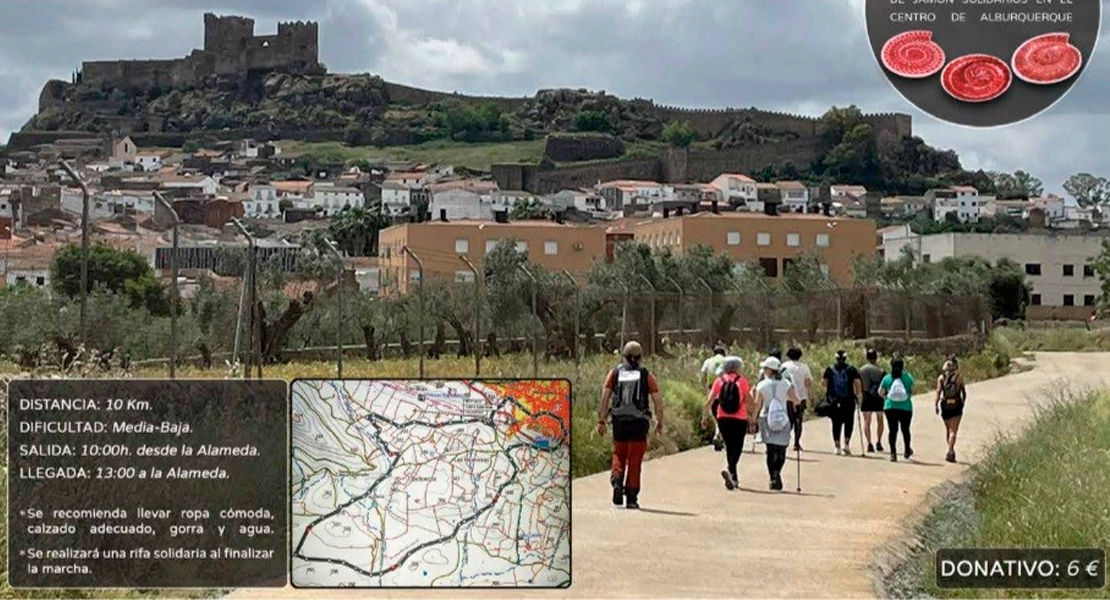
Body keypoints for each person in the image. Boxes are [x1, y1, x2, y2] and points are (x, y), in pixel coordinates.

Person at [597, 341, 665, 509]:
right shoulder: (646, 375)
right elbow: (657, 401)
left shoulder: (614, 374)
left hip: (620, 421)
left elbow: (604, 398)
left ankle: (617, 481)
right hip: (639, 423)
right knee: (635, 459)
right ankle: (632, 498)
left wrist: (601, 420)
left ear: (624, 356)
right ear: (641, 357)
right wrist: (659, 421)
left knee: (619, 453)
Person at [703, 356, 751, 490]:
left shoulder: (719, 381)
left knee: (729, 446)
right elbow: (749, 400)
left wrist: (704, 416)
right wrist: (753, 416)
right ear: (737, 368)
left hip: (723, 417)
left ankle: (733, 475)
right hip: (739, 418)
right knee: (738, 446)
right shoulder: (742, 381)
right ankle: (731, 470)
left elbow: (710, 400)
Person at [752, 356, 800, 491]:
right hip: (783, 418)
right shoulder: (786, 383)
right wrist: (796, 413)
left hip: (766, 418)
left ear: (769, 370)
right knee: (781, 449)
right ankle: (777, 472)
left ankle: (773, 477)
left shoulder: (761, 385)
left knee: (770, 450)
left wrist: (753, 420)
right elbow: (795, 400)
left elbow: (757, 405)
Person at [822, 350, 862, 456]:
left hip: (834, 400)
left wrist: (828, 395)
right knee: (849, 421)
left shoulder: (830, 369)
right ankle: (846, 444)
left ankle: (837, 446)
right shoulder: (852, 369)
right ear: (845, 358)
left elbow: (824, 383)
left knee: (836, 423)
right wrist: (858, 397)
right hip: (848, 399)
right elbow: (857, 383)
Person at [879, 357, 915, 462]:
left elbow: (880, 392)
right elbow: (912, 390)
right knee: (905, 430)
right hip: (906, 407)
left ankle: (893, 453)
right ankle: (907, 450)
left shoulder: (887, 378)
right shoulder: (908, 377)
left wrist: (887, 398)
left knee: (892, 430)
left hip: (890, 407)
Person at [780, 347, 813, 452]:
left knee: (788, 420)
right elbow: (808, 383)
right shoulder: (804, 367)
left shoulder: (784, 366)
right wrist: (811, 396)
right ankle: (796, 443)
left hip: (787, 397)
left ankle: (784, 441)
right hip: (801, 397)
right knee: (798, 420)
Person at [935, 357, 967, 463]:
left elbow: (938, 392)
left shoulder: (941, 378)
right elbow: (964, 393)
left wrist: (936, 405)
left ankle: (950, 449)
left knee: (948, 430)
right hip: (956, 405)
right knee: (954, 430)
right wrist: (962, 404)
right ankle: (951, 451)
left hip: (945, 406)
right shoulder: (959, 378)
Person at [700, 345, 728, 451]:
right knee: (723, 415)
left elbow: (703, 376)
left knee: (716, 415)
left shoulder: (708, 361)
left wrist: (705, 389)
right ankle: (718, 436)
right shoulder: (727, 361)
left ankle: (718, 435)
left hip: (712, 390)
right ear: (723, 353)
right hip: (725, 390)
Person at [858, 348, 887, 454]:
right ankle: (879, 442)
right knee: (880, 419)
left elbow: (858, 384)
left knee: (867, 421)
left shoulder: (861, 370)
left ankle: (869, 443)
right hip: (879, 397)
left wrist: (858, 396)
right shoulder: (881, 370)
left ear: (867, 357)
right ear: (876, 357)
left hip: (866, 396)